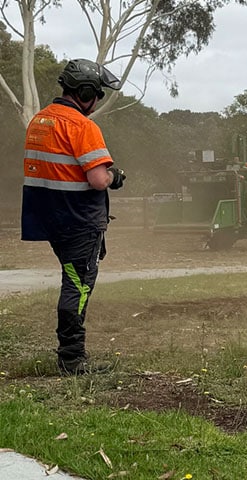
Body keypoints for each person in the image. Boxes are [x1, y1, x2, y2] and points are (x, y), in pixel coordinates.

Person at [21, 58, 126, 376]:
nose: (97, 102)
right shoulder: (82, 126)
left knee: (73, 280)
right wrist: (114, 175)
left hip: (51, 218)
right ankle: (72, 358)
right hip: (79, 219)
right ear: (85, 92)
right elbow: (97, 179)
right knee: (78, 285)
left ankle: (70, 355)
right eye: (98, 94)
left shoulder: (40, 120)